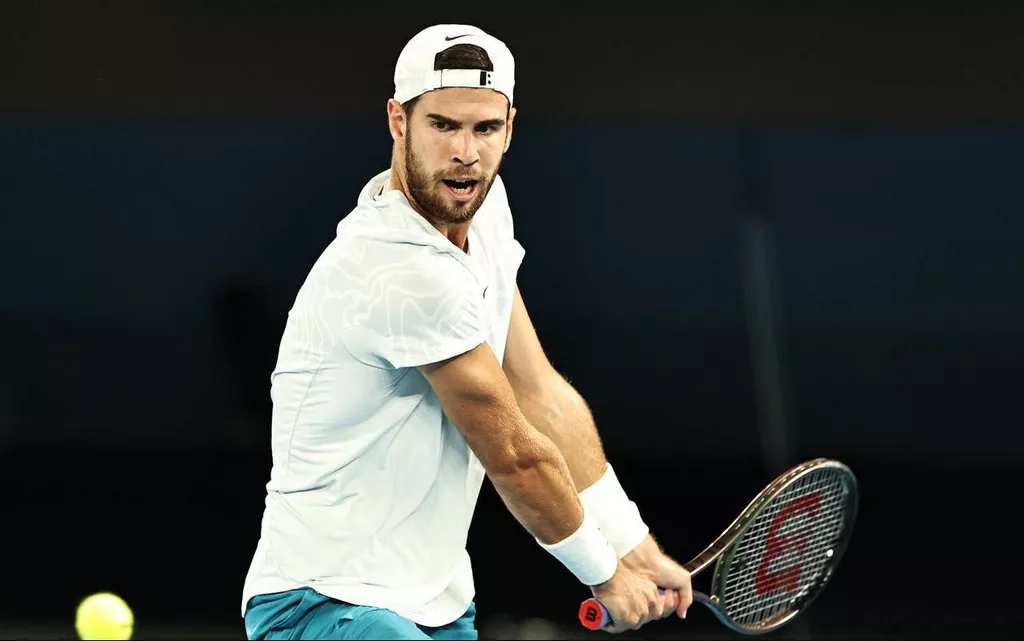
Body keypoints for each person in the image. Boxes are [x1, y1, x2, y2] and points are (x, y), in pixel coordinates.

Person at [240, 23, 693, 640]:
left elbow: (537, 392)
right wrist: (605, 574)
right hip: (321, 602)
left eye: (485, 128)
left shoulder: (487, 213)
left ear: (510, 127)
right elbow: (516, 458)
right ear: (398, 121)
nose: (466, 152)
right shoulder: (401, 271)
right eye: (443, 125)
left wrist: (631, 544)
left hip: (438, 604)